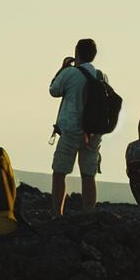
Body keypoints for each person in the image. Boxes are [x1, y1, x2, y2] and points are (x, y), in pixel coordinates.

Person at [48, 38, 107, 216]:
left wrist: (62, 69)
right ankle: (89, 213)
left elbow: (53, 90)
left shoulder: (71, 73)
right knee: (88, 174)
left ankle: (57, 214)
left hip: (72, 129)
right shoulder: (100, 75)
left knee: (60, 171)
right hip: (93, 131)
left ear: (77, 52)